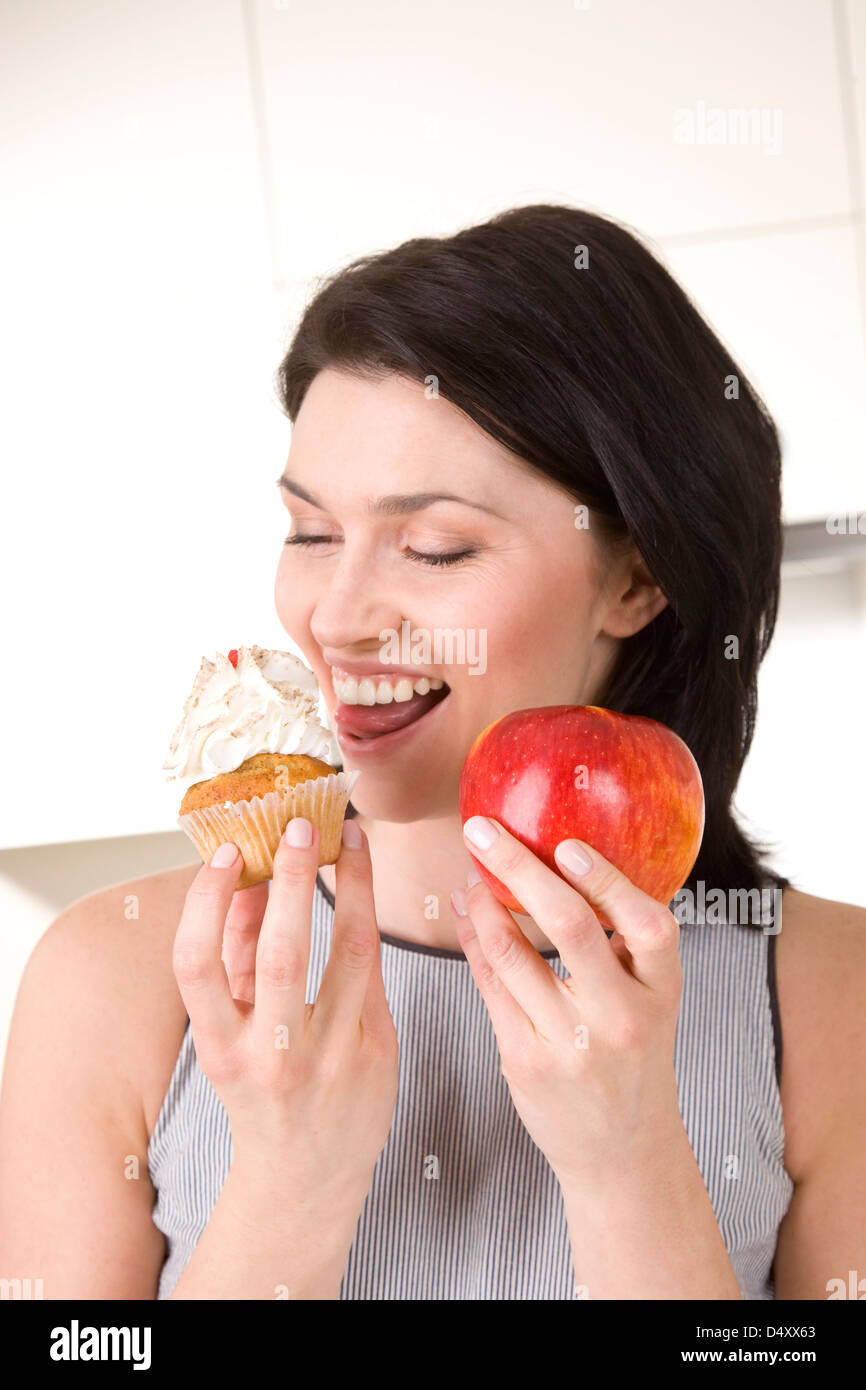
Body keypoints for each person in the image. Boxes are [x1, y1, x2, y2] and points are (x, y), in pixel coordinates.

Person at [1, 205, 863, 1300]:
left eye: (432, 546)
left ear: (637, 578)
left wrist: (629, 1170)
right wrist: (283, 1190)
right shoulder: (115, 982)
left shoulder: (830, 1000)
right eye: (311, 533)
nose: (337, 615)